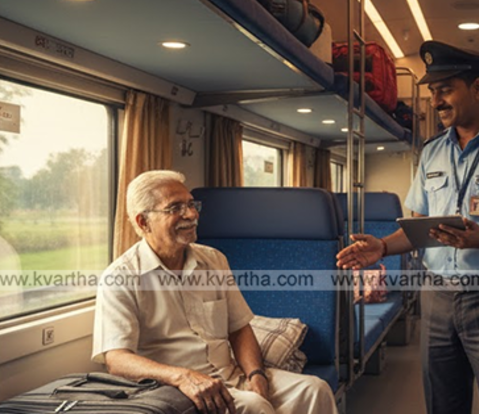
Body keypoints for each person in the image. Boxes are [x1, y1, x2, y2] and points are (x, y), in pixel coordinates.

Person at [336, 40, 479, 414]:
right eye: (433, 92)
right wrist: (382, 248)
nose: (436, 101)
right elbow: (418, 226)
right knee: (443, 404)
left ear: (478, 88)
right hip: (436, 298)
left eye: (445, 90)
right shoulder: (432, 151)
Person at [92, 170, 338, 414]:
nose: (191, 214)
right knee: (255, 406)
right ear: (143, 222)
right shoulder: (120, 278)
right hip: (176, 390)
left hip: (232, 374)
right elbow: (117, 359)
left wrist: (256, 374)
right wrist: (182, 377)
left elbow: (239, 328)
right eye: (175, 208)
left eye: (191, 204)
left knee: (315, 389)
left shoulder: (214, 260)